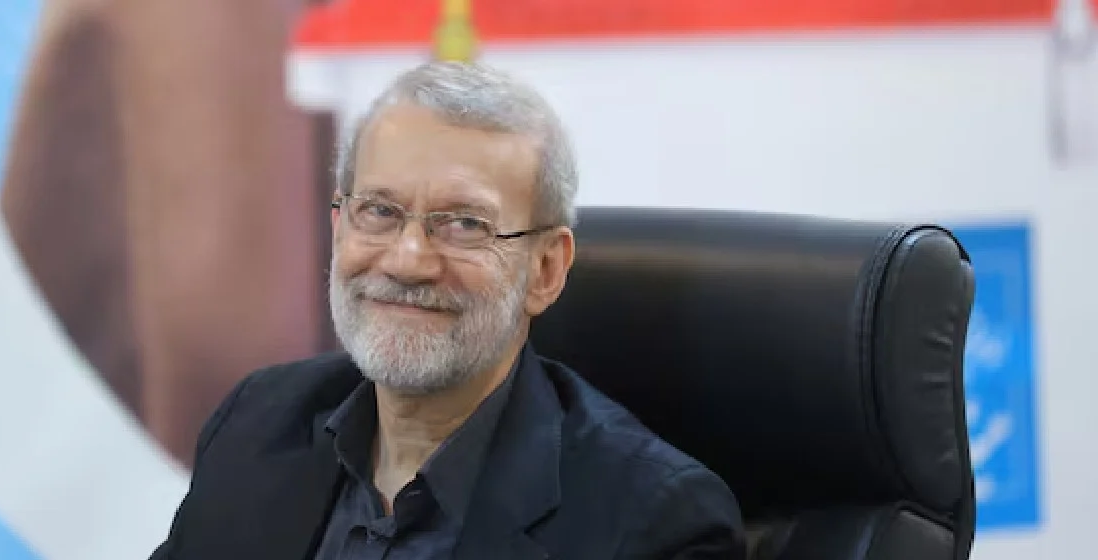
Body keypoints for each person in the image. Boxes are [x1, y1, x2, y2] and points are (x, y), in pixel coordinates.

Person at [149, 61, 746, 560]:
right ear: (339, 225)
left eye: (464, 224)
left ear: (545, 270)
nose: (408, 261)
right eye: (379, 211)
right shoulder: (258, 422)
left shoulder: (654, 524)